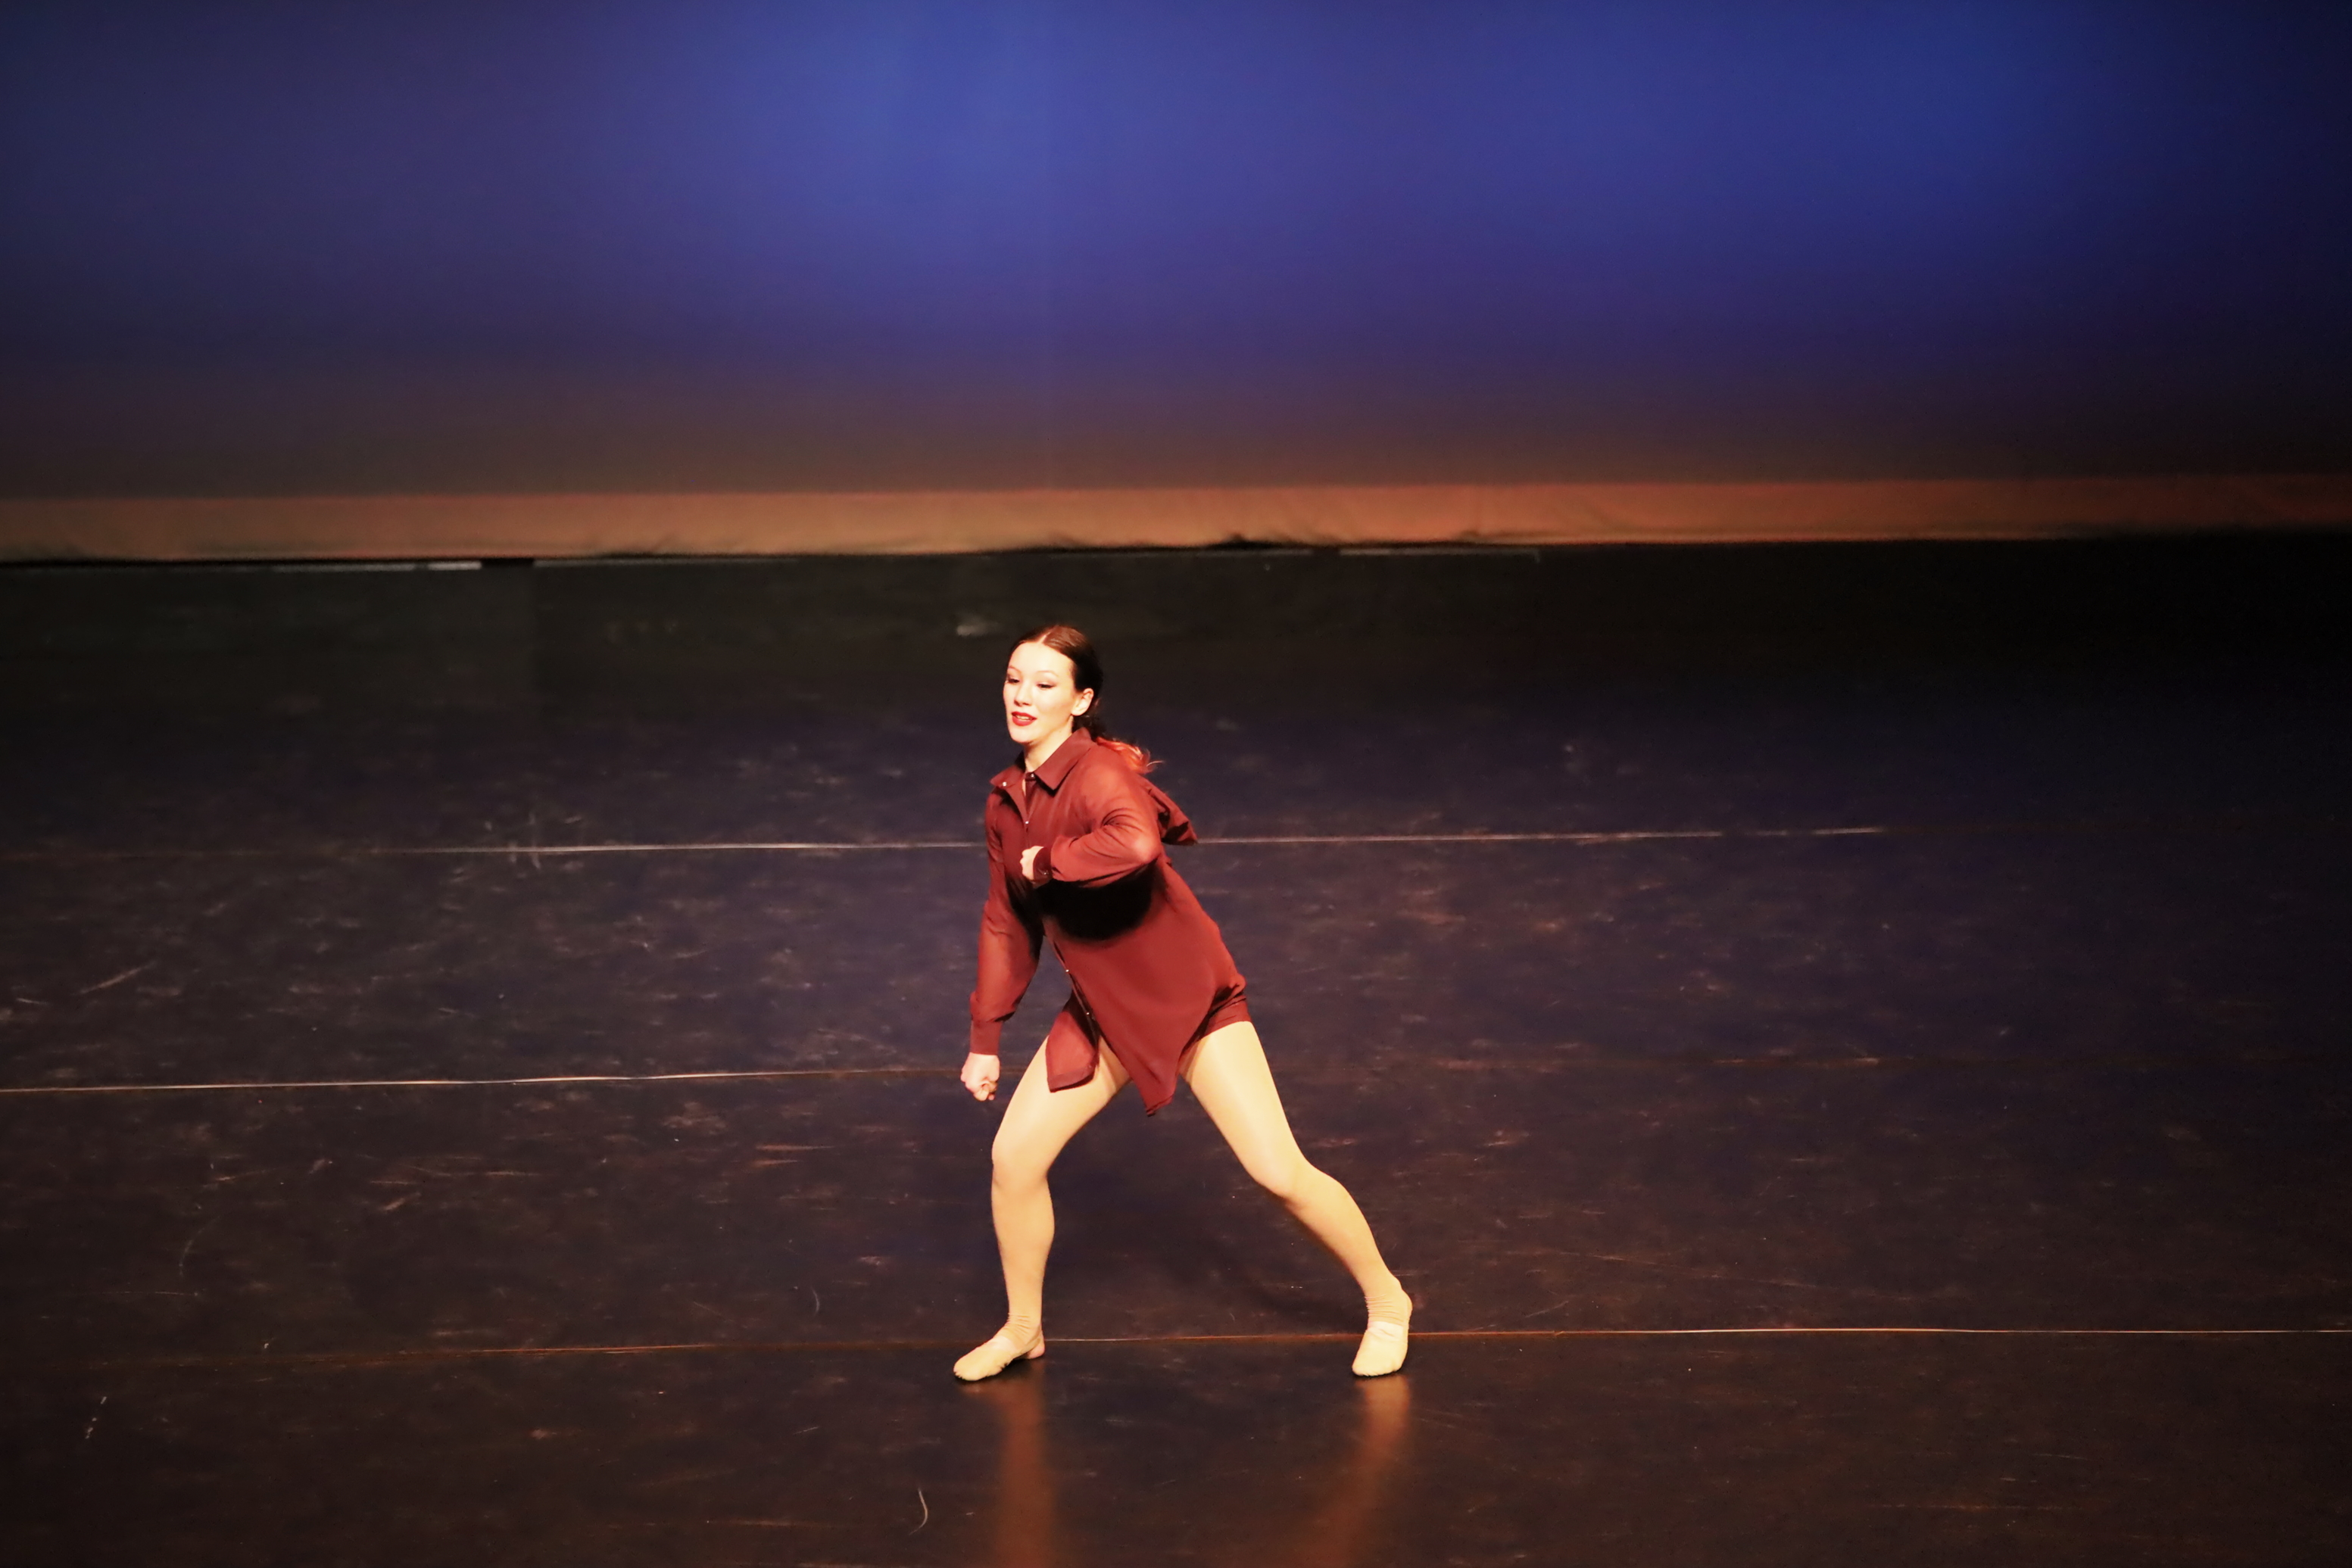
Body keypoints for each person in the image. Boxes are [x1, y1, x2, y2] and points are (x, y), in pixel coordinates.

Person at [954, 624, 1412, 1381]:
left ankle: (1389, 1300)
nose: (1022, 696)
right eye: (1013, 679)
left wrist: (1049, 861)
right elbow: (1007, 921)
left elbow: (1136, 844)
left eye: (1044, 683)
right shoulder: (1006, 800)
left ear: (1081, 699)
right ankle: (1023, 1327)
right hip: (1104, 1010)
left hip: (1189, 1002)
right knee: (1014, 1158)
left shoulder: (1098, 773)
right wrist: (984, 1036)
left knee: (1276, 1170)